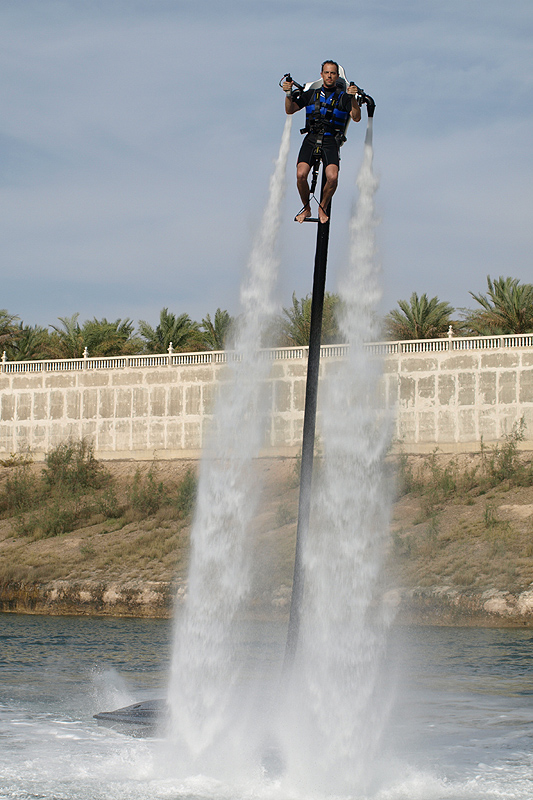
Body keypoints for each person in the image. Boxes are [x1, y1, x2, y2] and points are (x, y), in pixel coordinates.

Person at [281, 61, 362, 224]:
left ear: (337, 76)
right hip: (311, 138)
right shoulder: (311, 94)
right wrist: (288, 94)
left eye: (332, 73)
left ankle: (322, 206)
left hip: (330, 139)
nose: (329, 76)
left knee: (332, 177)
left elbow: (356, 117)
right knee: (301, 174)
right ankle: (306, 207)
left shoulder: (344, 98)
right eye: (326, 73)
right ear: (322, 75)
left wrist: (353, 98)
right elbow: (290, 109)